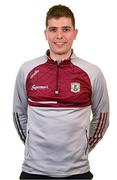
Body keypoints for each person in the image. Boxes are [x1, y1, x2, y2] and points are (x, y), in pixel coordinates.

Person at [13, 4, 109, 180]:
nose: (59, 36)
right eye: (53, 29)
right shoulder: (27, 70)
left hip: (77, 172)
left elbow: (102, 117)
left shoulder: (92, 72)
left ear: (75, 33)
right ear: (45, 34)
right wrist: (31, 142)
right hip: (34, 171)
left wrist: (83, 147)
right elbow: (19, 114)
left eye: (66, 29)